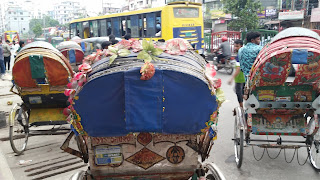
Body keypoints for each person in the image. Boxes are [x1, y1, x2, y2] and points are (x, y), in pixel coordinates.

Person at [228, 39, 245, 107]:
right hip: (244, 77)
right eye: (234, 46)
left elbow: (238, 69)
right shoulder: (243, 53)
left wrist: (231, 78)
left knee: (238, 92)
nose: (235, 48)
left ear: (241, 46)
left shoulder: (239, 55)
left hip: (239, 78)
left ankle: (241, 107)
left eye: (237, 46)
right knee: (242, 92)